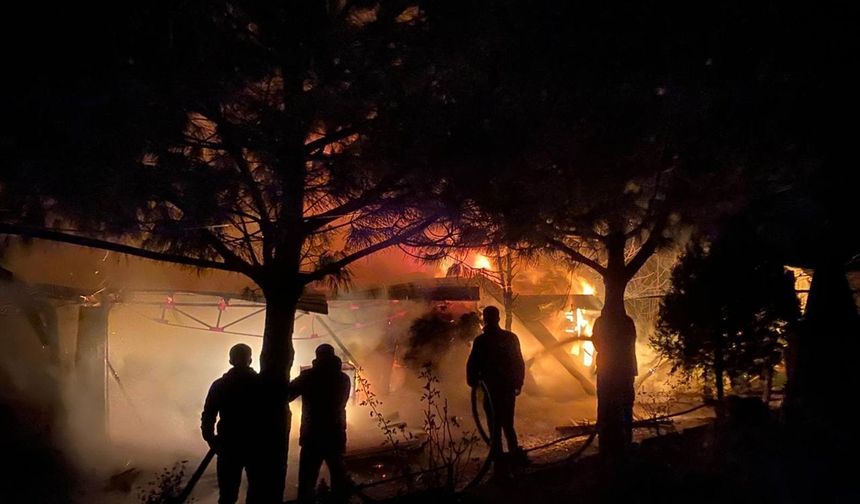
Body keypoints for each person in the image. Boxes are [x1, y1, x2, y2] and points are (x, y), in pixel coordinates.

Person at [288, 343, 352, 502]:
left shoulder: (309, 376)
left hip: (312, 435)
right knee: (338, 477)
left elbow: (287, 394)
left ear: (317, 356)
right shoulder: (343, 378)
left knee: (307, 481)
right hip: (335, 433)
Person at [201, 343, 262, 504]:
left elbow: (208, 415)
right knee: (257, 492)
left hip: (228, 445)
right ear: (250, 360)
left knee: (227, 495)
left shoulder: (220, 385)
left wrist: (211, 440)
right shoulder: (260, 384)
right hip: (255, 444)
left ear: (230, 360)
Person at [466, 306, 526, 468]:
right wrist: (518, 383)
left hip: (491, 391)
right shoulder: (510, 338)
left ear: (484, 320)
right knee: (508, 425)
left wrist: (473, 382)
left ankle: (499, 462)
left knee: (494, 428)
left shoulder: (481, 341)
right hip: (506, 390)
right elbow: (519, 363)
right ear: (498, 318)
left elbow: (472, 365)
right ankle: (513, 459)